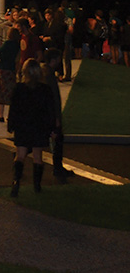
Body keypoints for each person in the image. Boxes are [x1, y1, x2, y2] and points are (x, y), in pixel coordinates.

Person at [8, 59, 56, 196]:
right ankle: (37, 185)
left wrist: (11, 124)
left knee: (20, 155)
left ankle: (16, 181)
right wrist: (52, 128)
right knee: (37, 156)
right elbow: (50, 110)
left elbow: (14, 108)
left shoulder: (19, 88)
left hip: (23, 125)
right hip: (39, 125)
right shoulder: (45, 89)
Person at [42, 48, 75, 182]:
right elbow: (54, 98)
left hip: (45, 113)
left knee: (45, 140)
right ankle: (57, 168)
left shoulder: (44, 71)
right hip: (50, 114)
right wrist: (56, 118)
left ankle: (20, 154)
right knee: (57, 140)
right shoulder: (49, 75)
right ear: (54, 60)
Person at [0, 27, 20, 123]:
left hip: (3, 69)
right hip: (11, 69)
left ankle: (1, 115)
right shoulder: (17, 44)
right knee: (11, 91)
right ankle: (10, 115)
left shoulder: (8, 43)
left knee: (1, 91)